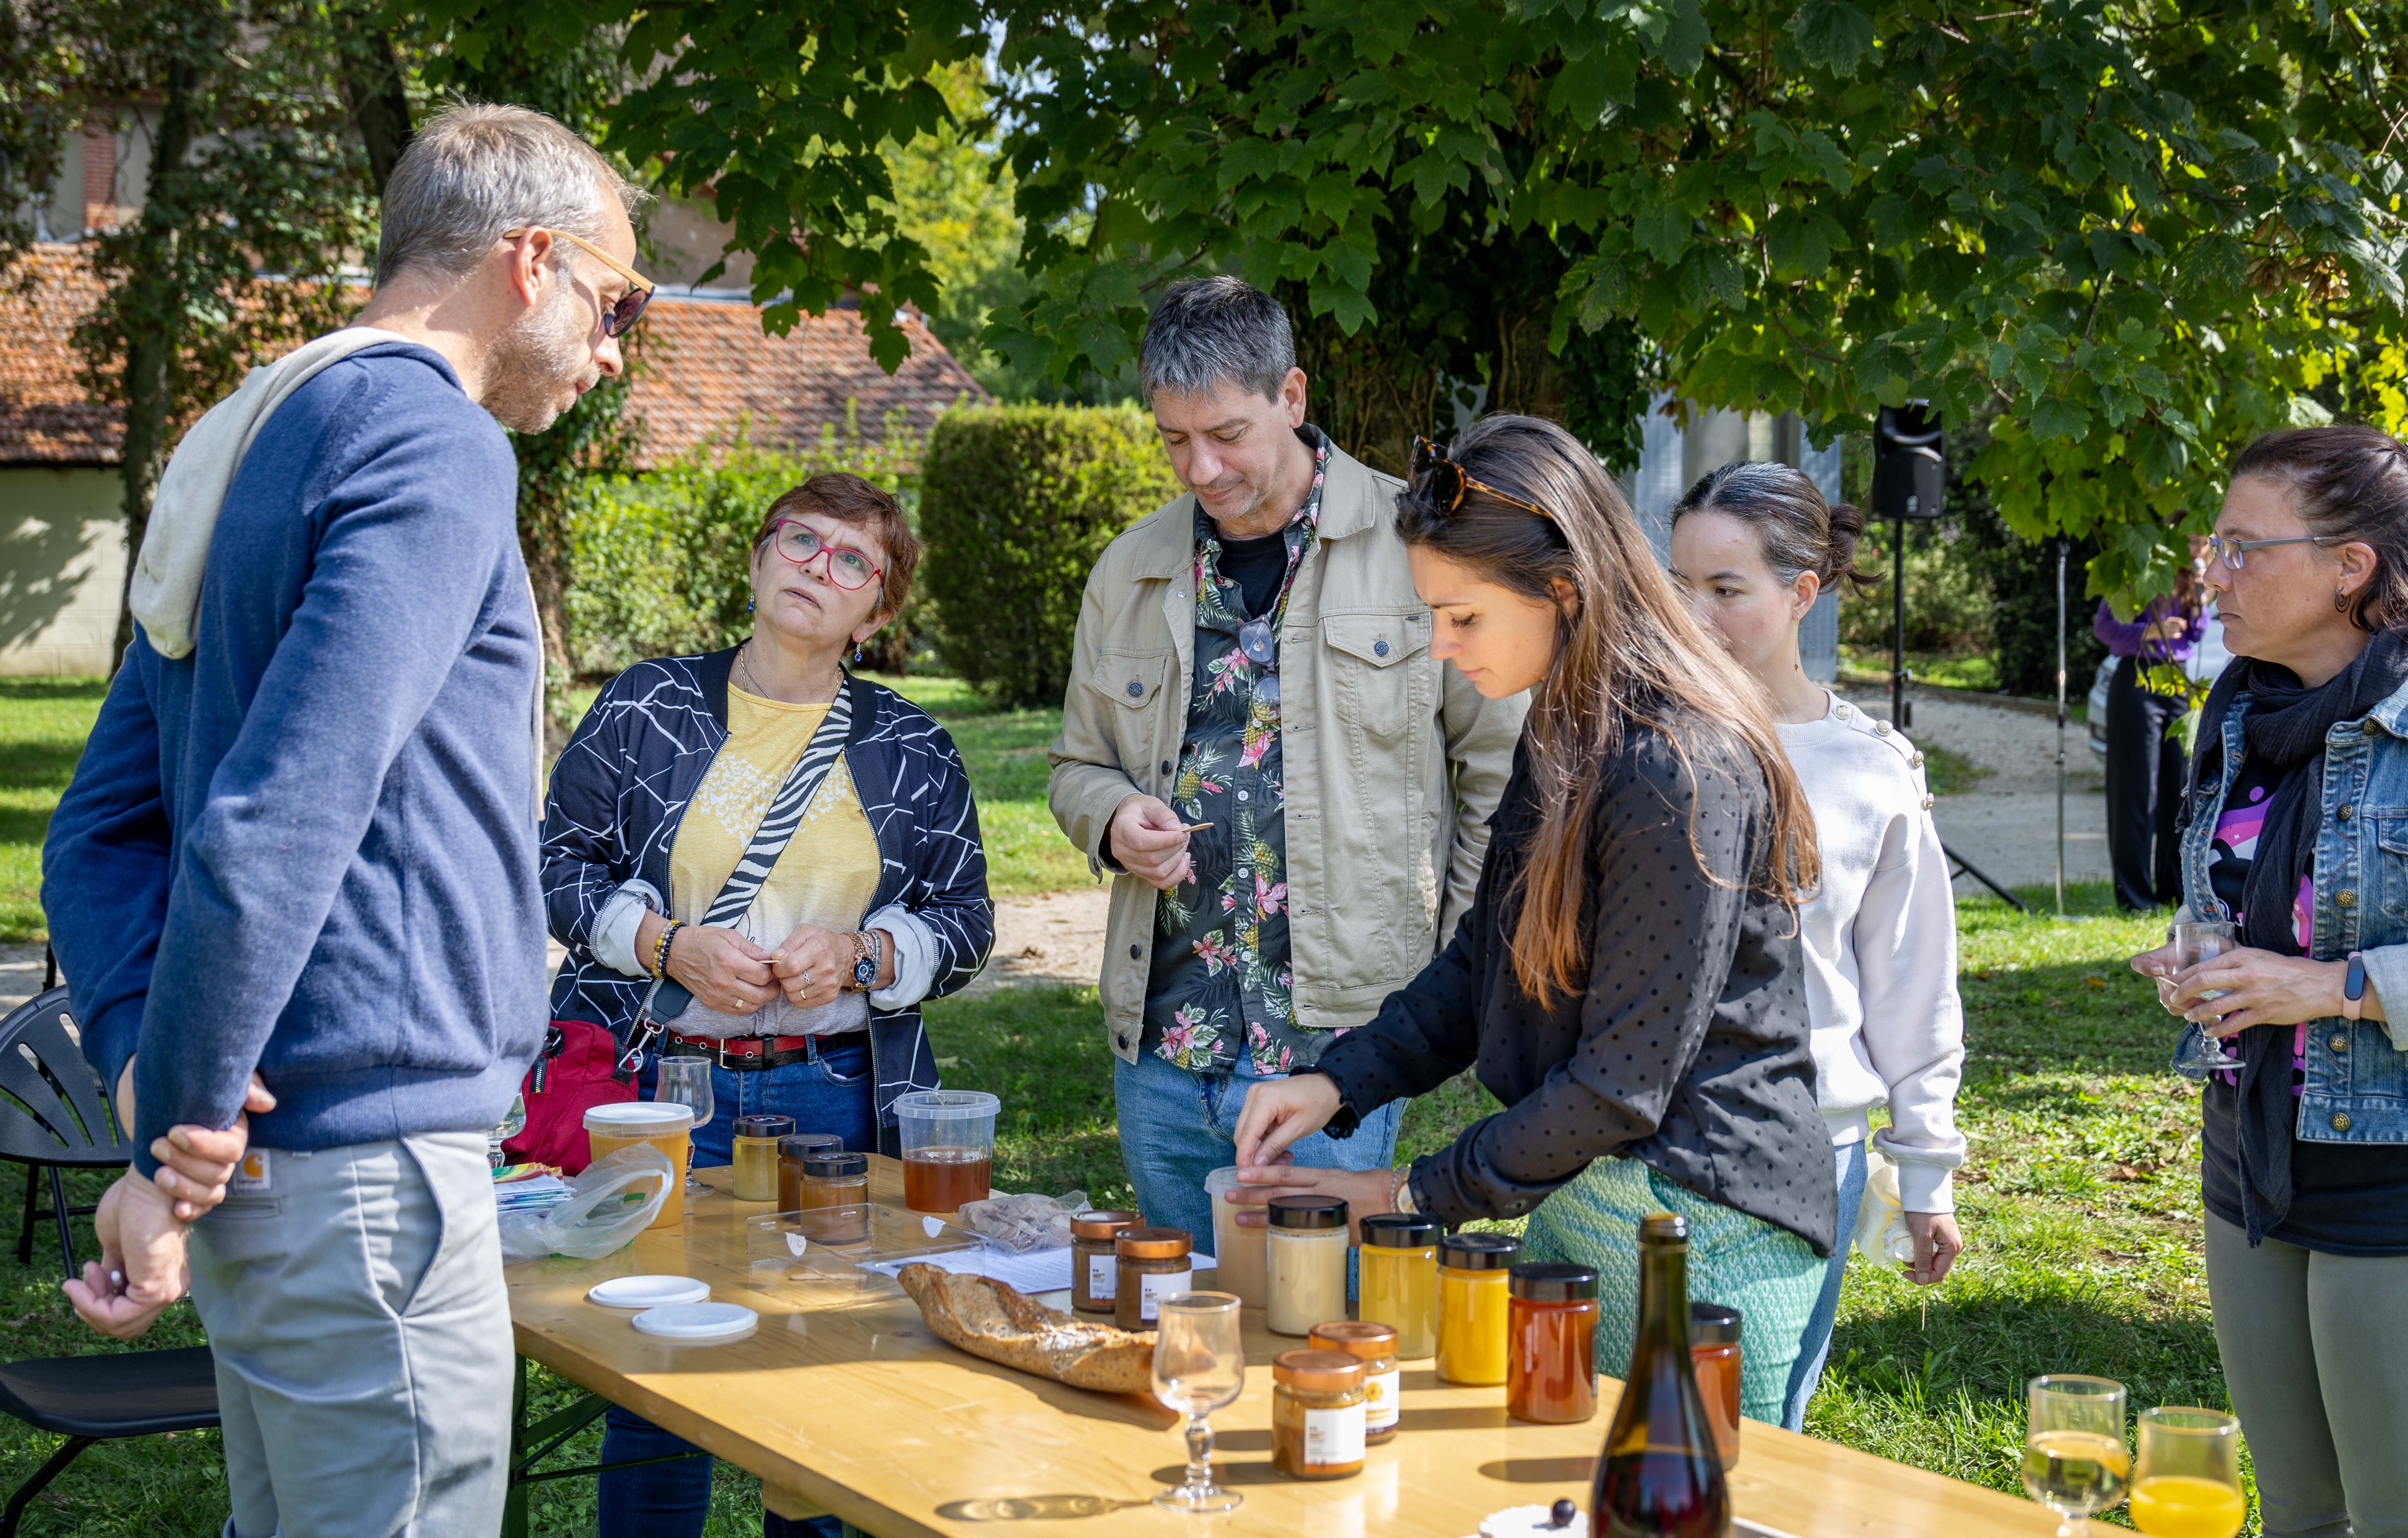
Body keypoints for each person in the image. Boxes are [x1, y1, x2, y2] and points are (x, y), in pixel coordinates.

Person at [41, 102, 639, 1536]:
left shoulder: (251, 436)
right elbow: (276, 816)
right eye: (615, 302)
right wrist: (171, 1124)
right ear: (532, 258)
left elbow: (96, 829)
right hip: (363, 1181)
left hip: (278, 1176)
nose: (615, 348)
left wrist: (148, 1086)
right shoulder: (435, 444)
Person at [1230, 415, 1838, 1425]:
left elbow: (1621, 1084)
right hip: (1587, 1198)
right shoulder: (1564, 723)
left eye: (1461, 617)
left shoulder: (1672, 767)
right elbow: (1487, 960)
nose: (1439, 646)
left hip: (1706, 1226)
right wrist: (1339, 1077)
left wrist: (1403, 1194)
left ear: (1561, 589)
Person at [543, 472, 993, 1538]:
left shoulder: (913, 747)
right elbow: (552, 865)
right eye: (801, 542)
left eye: (852, 562)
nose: (816, 570)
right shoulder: (647, 705)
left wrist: (866, 957)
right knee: (655, 1368)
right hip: (665, 1094)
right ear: (758, 557)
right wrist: (663, 944)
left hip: (835, 1096)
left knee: (828, 1365)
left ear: (877, 612)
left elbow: (969, 921)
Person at [1048, 277, 1525, 1248]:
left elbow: (1503, 784)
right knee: (1182, 1321)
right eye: (1174, 439)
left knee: (1322, 1342)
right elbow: (1075, 764)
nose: (1201, 467)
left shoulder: (1421, 548)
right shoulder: (1128, 570)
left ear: (1293, 397)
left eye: (1226, 434)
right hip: (1165, 1047)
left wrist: (1458, 984)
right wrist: (1107, 817)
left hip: (1345, 1042)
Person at [2135, 425, 2408, 1535]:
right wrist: (2194, 953)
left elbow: (2322, 949)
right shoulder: (2240, 713)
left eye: (2244, 548)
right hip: (2247, 1157)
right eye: (2214, 543)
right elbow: (2249, 890)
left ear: (2349, 567)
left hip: (2386, 1177)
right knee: (2294, 1509)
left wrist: (2331, 984)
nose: (2212, 572)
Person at [1666, 461, 1967, 1430]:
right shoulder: (1633, 738)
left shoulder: (1873, 772)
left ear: (1803, 593)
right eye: (1679, 586)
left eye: (1726, 591)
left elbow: (1913, 993)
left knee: (1755, 1442)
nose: (1695, 617)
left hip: (1803, 1155)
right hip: (1632, 1142)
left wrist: (1924, 1171)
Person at [2098, 553, 2205, 910]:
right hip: (2137, 678)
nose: (2199, 549)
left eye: (2204, 543)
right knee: (2135, 791)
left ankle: (2174, 891)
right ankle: (2135, 897)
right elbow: (2104, 628)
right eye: (2192, 541)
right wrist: (2151, 631)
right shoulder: (2136, 573)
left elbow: (2198, 631)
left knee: (2181, 791)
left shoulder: (2195, 580)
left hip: (2178, 683)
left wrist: (2203, 590)